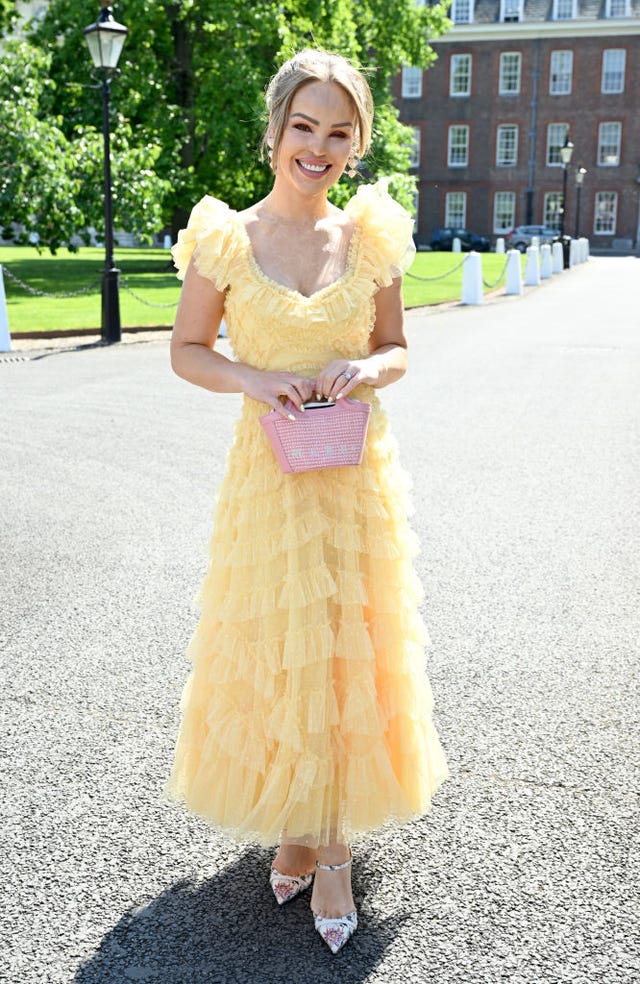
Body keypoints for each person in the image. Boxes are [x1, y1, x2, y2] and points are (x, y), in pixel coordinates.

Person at [163, 48, 448, 954]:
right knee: (281, 649)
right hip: (270, 479)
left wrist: (365, 366)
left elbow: (399, 347)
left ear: (355, 143)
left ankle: (332, 852)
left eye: (338, 132)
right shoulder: (225, 239)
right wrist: (253, 377)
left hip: (355, 476)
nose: (318, 148)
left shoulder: (371, 238)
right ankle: (299, 821)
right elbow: (187, 349)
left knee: (347, 647)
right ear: (276, 129)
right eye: (304, 127)